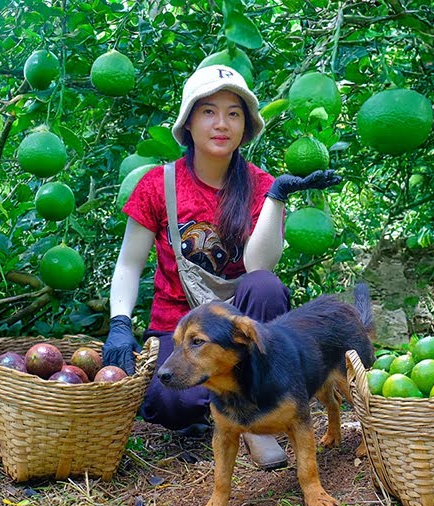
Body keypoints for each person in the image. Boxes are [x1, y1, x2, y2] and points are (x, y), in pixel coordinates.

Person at [101, 63, 340, 468]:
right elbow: (128, 264)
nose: (221, 123)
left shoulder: (262, 185)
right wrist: (120, 323)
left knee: (265, 285)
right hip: (179, 331)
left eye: (234, 113)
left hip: (239, 335)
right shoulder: (157, 185)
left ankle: (258, 419)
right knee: (167, 402)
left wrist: (278, 195)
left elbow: (258, 266)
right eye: (208, 111)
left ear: (245, 127)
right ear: (188, 122)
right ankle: (227, 414)